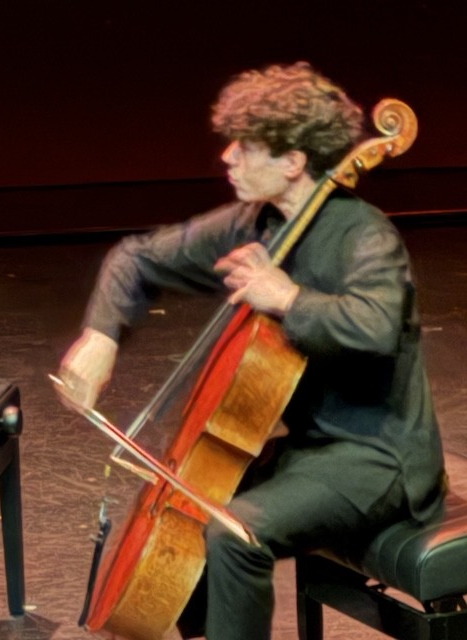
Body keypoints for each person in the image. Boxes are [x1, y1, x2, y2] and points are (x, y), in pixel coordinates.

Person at [57, 61, 445, 640]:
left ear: (293, 162)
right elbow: (136, 258)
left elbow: (377, 329)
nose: (227, 157)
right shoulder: (255, 224)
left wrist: (287, 297)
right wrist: (100, 336)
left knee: (236, 532)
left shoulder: (364, 233)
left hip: (380, 458)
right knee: (188, 509)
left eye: (246, 147)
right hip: (311, 450)